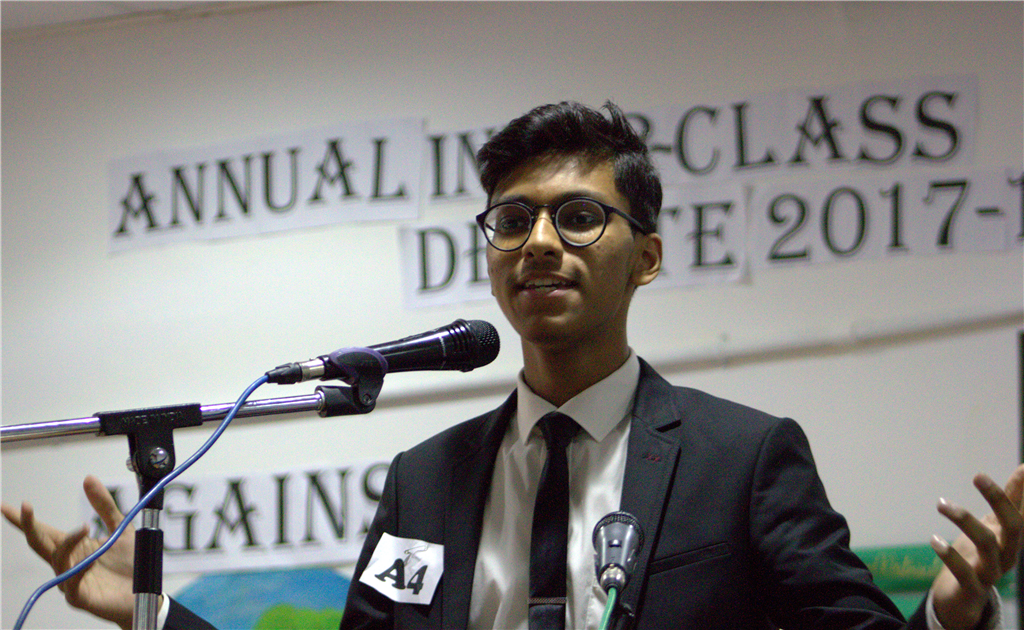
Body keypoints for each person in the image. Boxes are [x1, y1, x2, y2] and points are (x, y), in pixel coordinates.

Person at [3, 101, 1023, 630]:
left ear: (647, 256)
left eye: (578, 216)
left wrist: (952, 610)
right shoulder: (424, 482)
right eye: (511, 219)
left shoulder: (742, 459)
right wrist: (148, 610)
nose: (538, 242)